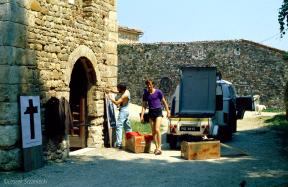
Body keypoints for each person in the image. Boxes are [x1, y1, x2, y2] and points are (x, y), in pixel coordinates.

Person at [140, 79, 170, 155]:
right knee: (153, 131)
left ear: (153, 85)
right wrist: (142, 116)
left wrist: (168, 112)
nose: (149, 86)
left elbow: (164, 102)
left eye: (150, 84)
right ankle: (156, 147)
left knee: (157, 129)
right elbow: (144, 106)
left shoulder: (158, 92)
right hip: (151, 112)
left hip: (158, 111)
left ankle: (160, 147)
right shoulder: (145, 94)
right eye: (147, 85)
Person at [108, 83, 132, 149]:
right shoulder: (126, 91)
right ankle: (130, 141)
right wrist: (112, 91)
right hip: (126, 110)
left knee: (119, 126)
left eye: (118, 88)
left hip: (123, 111)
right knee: (127, 126)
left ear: (121, 89)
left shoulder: (125, 95)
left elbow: (116, 103)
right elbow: (119, 92)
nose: (117, 89)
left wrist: (110, 98)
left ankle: (119, 144)